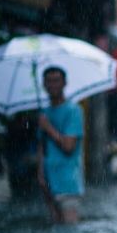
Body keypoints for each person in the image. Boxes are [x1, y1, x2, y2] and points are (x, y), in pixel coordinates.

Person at [36, 66, 84, 224]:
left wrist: (48, 127)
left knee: (69, 231)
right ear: (44, 85)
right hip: (49, 182)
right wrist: (40, 174)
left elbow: (69, 147)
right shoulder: (44, 113)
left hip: (68, 182)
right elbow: (42, 147)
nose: (53, 85)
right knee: (56, 229)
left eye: (56, 80)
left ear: (64, 83)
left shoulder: (73, 111)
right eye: (49, 81)